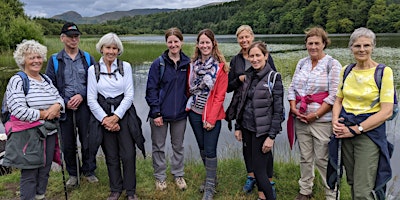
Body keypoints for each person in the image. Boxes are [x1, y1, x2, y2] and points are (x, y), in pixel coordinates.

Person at [331, 27, 394, 200]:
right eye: (357, 45)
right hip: (345, 131)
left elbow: (387, 111)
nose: (362, 49)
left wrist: (357, 129)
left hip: (369, 134)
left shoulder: (383, 72)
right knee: (352, 181)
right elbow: (338, 100)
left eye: (366, 45)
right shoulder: (346, 70)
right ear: (351, 47)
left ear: (373, 46)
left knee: (363, 190)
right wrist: (335, 121)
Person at [3, 40, 65, 200]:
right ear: (23, 60)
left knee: (45, 171)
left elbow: (59, 98)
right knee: (30, 174)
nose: (36, 61)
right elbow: (18, 110)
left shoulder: (46, 79)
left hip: (49, 133)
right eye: (31, 58)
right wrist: (44, 114)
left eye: (39, 57)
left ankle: (40, 197)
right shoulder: (18, 80)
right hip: (28, 135)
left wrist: (57, 106)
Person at [87, 33, 145, 200]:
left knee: (128, 154)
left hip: (124, 114)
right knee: (111, 154)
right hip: (103, 116)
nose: (111, 51)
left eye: (114, 48)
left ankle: (131, 191)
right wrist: (105, 119)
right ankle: (115, 189)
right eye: (108, 48)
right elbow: (91, 98)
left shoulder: (125, 66)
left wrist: (116, 117)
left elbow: (129, 95)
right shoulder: (93, 70)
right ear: (102, 49)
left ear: (118, 50)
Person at [287, 27, 341, 200]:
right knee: (305, 157)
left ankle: (331, 194)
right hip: (301, 118)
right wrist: (294, 108)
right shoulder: (302, 63)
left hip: (322, 120)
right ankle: (305, 190)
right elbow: (292, 88)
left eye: (317, 43)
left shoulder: (333, 64)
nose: (313, 47)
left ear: (324, 44)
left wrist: (316, 114)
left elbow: (334, 95)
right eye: (310, 43)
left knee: (323, 159)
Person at [226, 25, 277, 196]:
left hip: (262, 110)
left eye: (247, 37)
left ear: (252, 37)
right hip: (243, 107)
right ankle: (251, 177)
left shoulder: (263, 56)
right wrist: (240, 79)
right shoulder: (236, 60)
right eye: (241, 38)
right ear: (238, 40)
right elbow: (228, 86)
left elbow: (273, 82)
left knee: (264, 149)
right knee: (247, 148)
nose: (244, 40)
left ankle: (268, 181)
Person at [46, 22, 98, 188]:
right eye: (70, 36)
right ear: (62, 38)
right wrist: (64, 102)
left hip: (85, 107)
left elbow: (95, 82)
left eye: (76, 36)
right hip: (64, 109)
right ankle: (73, 174)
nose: (74, 39)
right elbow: (49, 86)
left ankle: (89, 171)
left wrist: (81, 96)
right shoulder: (54, 60)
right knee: (68, 143)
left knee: (88, 141)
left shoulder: (88, 58)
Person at [234, 41, 284, 200]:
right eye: (251, 56)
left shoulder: (274, 77)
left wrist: (271, 137)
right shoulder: (248, 76)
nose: (254, 59)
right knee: (253, 167)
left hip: (262, 132)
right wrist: (238, 126)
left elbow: (278, 111)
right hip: (247, 128)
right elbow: (242, 103)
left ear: (266, 56)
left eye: (258, 55)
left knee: (260, 171)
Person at [145, 27, 191, 191]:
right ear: (166, 43)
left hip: (180, 114)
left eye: (176, 41)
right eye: (170, 41)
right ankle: (160, 178)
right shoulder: (159, 63)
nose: (173, 45)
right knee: (158, 147)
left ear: (181, 42)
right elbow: (151, 90)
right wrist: (156, 112)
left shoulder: (188, 63)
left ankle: (178, 175)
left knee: (178, 146)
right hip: (160, 115)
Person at [187, 29, 229, 200]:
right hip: (195, 113)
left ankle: (210, 188)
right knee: (203, 148)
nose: (204, 45)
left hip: (211, 115)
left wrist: (211, 119)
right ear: (198, 45)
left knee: (210, 150)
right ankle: (211, 179)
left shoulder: (220, 67)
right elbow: (189, 89)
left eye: (207, 42)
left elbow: (219, 96)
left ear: (213, 44)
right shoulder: (193, 65)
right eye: (201, 42)